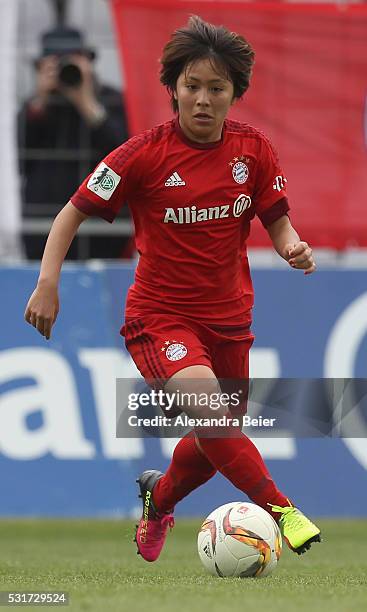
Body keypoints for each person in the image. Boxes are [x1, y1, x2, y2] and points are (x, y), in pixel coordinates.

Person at [24, 16, 321, 563]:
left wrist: (292, 245)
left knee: (214, 442)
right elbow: (70, 214)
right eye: (192, 87)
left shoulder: (254, 150)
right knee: (211, 418)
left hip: (231, 317)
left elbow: (276, 219)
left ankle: (158, 499)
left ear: (235, 94)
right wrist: (48, 283)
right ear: (173, 89)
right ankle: (282, 510)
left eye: (216, 89)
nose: (203, 100)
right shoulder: (141, 155)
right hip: (160, 318)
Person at [18, 26, 131, 259]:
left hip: (103, 233)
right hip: (44, 233)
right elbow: (17, 161)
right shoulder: (34, 109)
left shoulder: (112, 100)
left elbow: (125, 156)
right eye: (55, 64)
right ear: (41, 68)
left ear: (88, 63)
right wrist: (40, 101)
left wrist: (86, 102)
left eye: (73, 61)